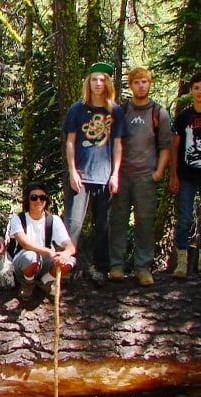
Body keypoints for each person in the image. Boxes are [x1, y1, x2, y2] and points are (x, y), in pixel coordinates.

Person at [63, 62, 126, 286]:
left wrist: (115, 174)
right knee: (73, 223)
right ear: (88, 82)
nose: (98, 83)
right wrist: (72, 172)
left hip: (105, 177)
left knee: (103, 225)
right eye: (94, 79)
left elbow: (117, 145)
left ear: (107, 83)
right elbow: (70, 142)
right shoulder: (77, 109)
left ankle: (100, 268)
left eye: (102, 80)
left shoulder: (115, 111)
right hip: (80, 175)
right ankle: (65, 265)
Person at [108, 67, 172, 286]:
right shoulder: (122, 110)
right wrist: (114, 173)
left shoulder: (159, 113)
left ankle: (142, 267)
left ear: (149, 84)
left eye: (145, 81)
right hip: (123, 175)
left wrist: (158, 173)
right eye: (137, 82)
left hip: (146, 176)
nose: (141, 85)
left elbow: (165, 146)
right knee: (117, 220)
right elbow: (113, 142)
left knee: (144, 222)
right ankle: (116, 265)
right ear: (131, 85)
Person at [10, 181, 76, 300]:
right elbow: (24, 243)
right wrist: (49, 252)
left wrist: (65, 254)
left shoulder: (53, 220)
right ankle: (27, 284)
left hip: (45, 262)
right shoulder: (18, 219)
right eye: (34, 197)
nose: (38, 201)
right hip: (23, 262)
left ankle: (45, 281)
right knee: (31, 257)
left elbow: (70, 246)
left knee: (69, 261)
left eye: (42, 197)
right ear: (27, 200)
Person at [169, 71, 201, 279]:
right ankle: (182, 263)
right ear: (191, 91)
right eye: (197, 88)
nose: (200, 92)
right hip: (186, 174)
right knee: (185, 218)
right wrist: (173, 174)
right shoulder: (183, 117)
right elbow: (174, 147)